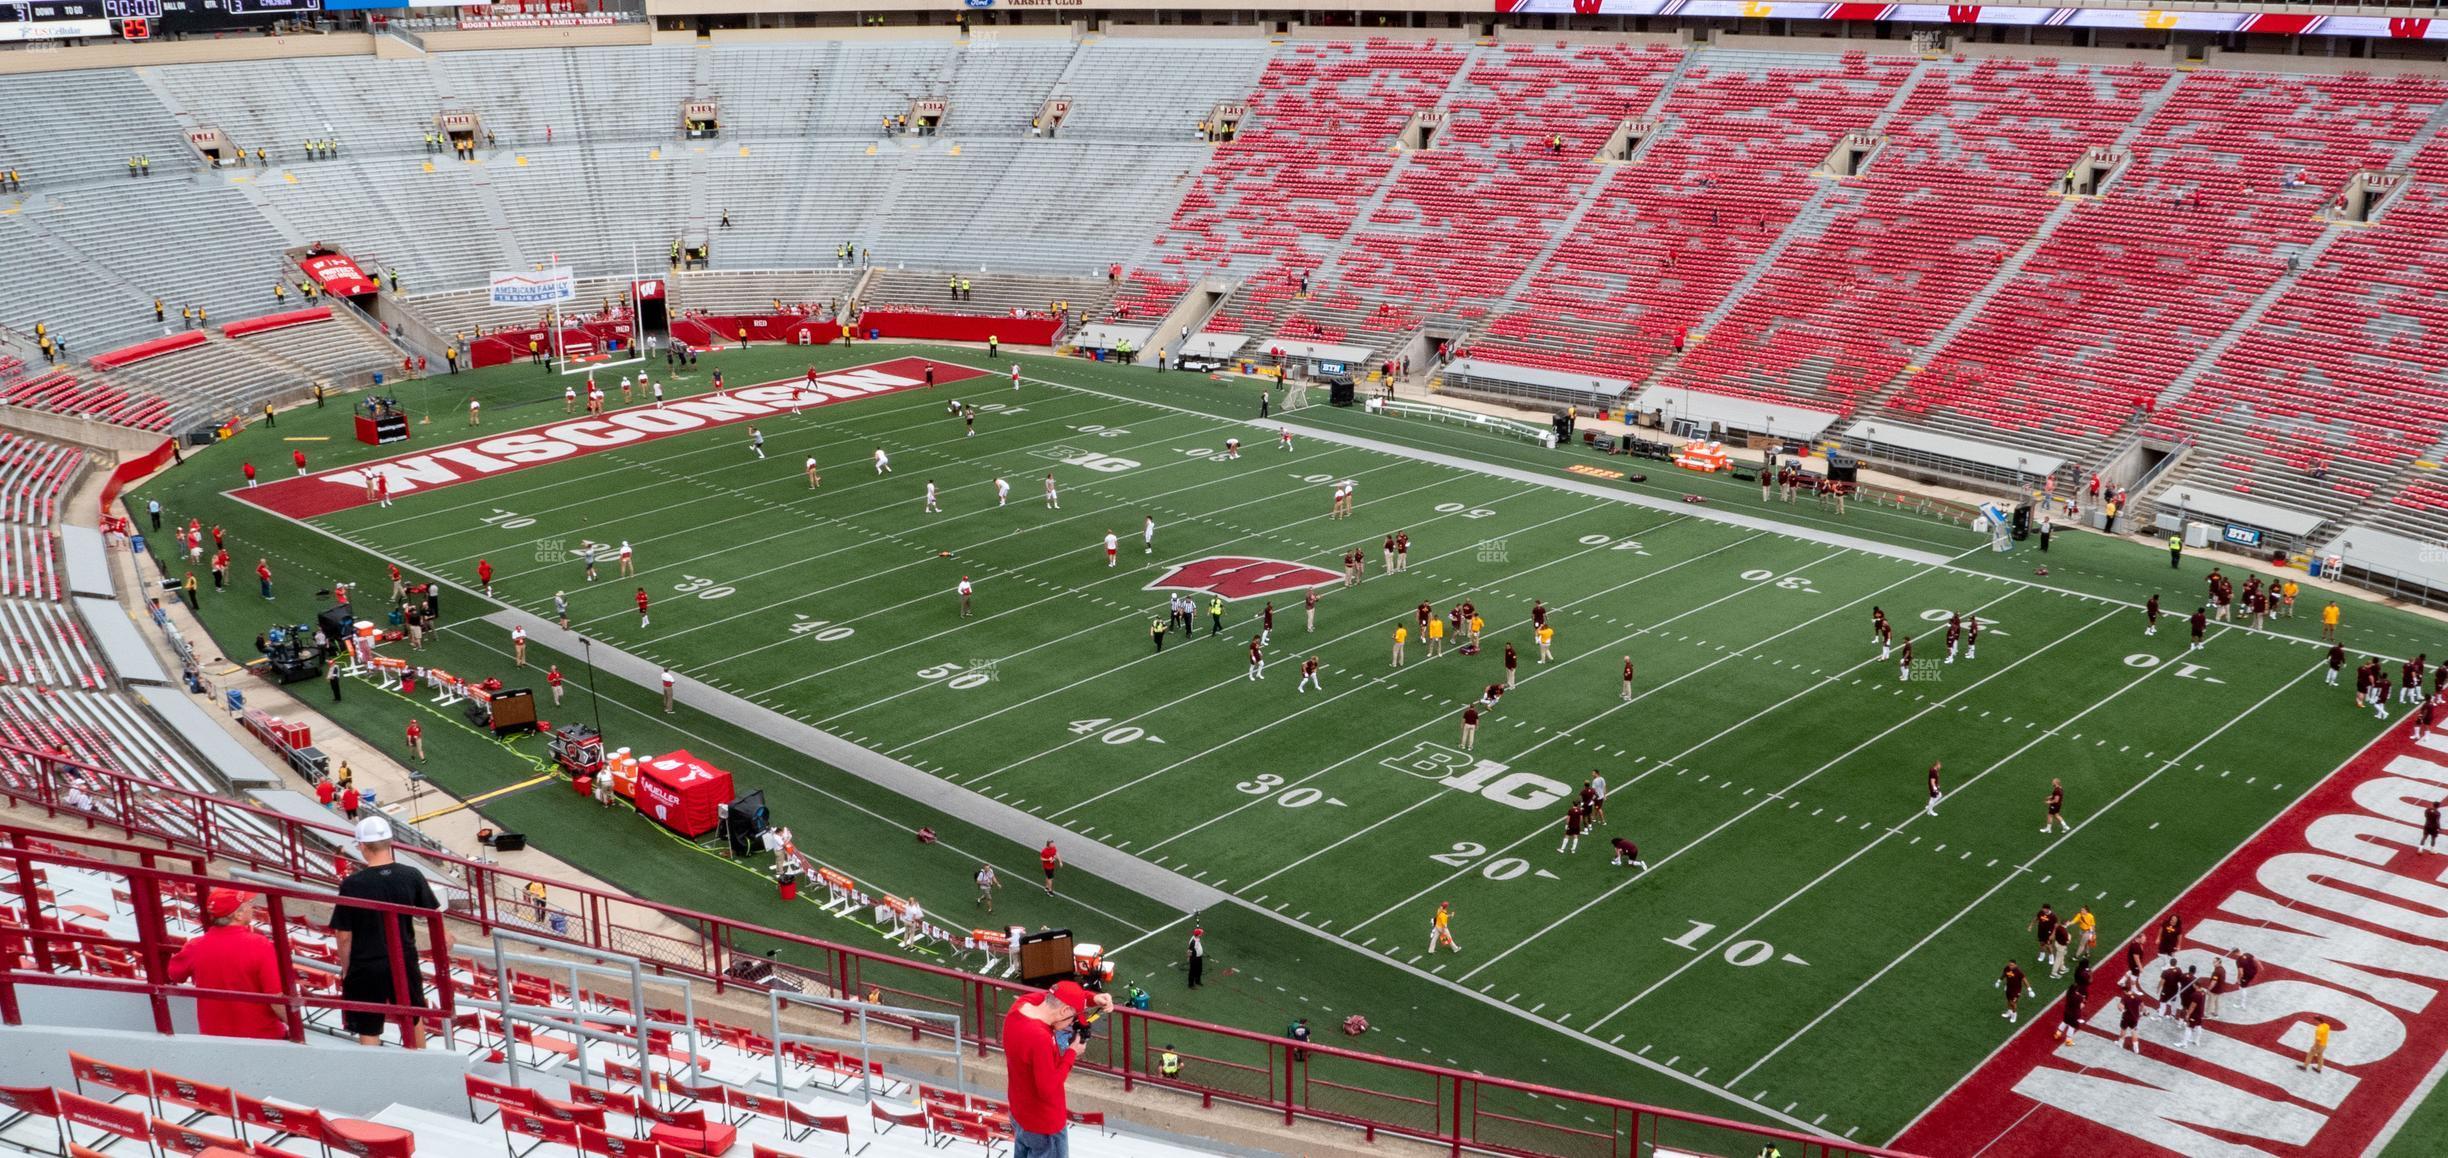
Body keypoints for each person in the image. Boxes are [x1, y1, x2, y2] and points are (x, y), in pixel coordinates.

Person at [333, 816, 444, 1048]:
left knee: (369, 1026)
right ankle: (420, 1069)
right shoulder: (411, 875)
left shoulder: (353, 884)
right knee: (413, 1017)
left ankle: (376, 1079)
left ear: (362, 846)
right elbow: (434, 916)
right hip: (403, 958)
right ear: (390, 842)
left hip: (366, 963)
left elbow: (344, 935)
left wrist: (346, 969)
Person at [166, 889, 287, 1039]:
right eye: (248, 903)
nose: (252, 907)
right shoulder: (260, 944)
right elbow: (275, 998)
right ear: (238, 914)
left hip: (214, 1037)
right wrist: (297, 1028)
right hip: (262, 1036)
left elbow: (175, 974)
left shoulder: (196, 945)